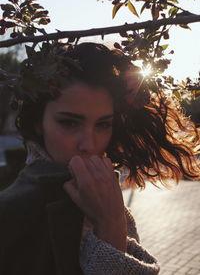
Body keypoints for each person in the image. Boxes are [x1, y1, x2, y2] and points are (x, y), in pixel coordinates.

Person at [0, 42, 199, 275]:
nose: (89, 144)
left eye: (103, 124)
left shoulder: (99, 192)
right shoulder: (11, 215)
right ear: (38, 123)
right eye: (69, 122)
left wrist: (113, 222)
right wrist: (111, 224)